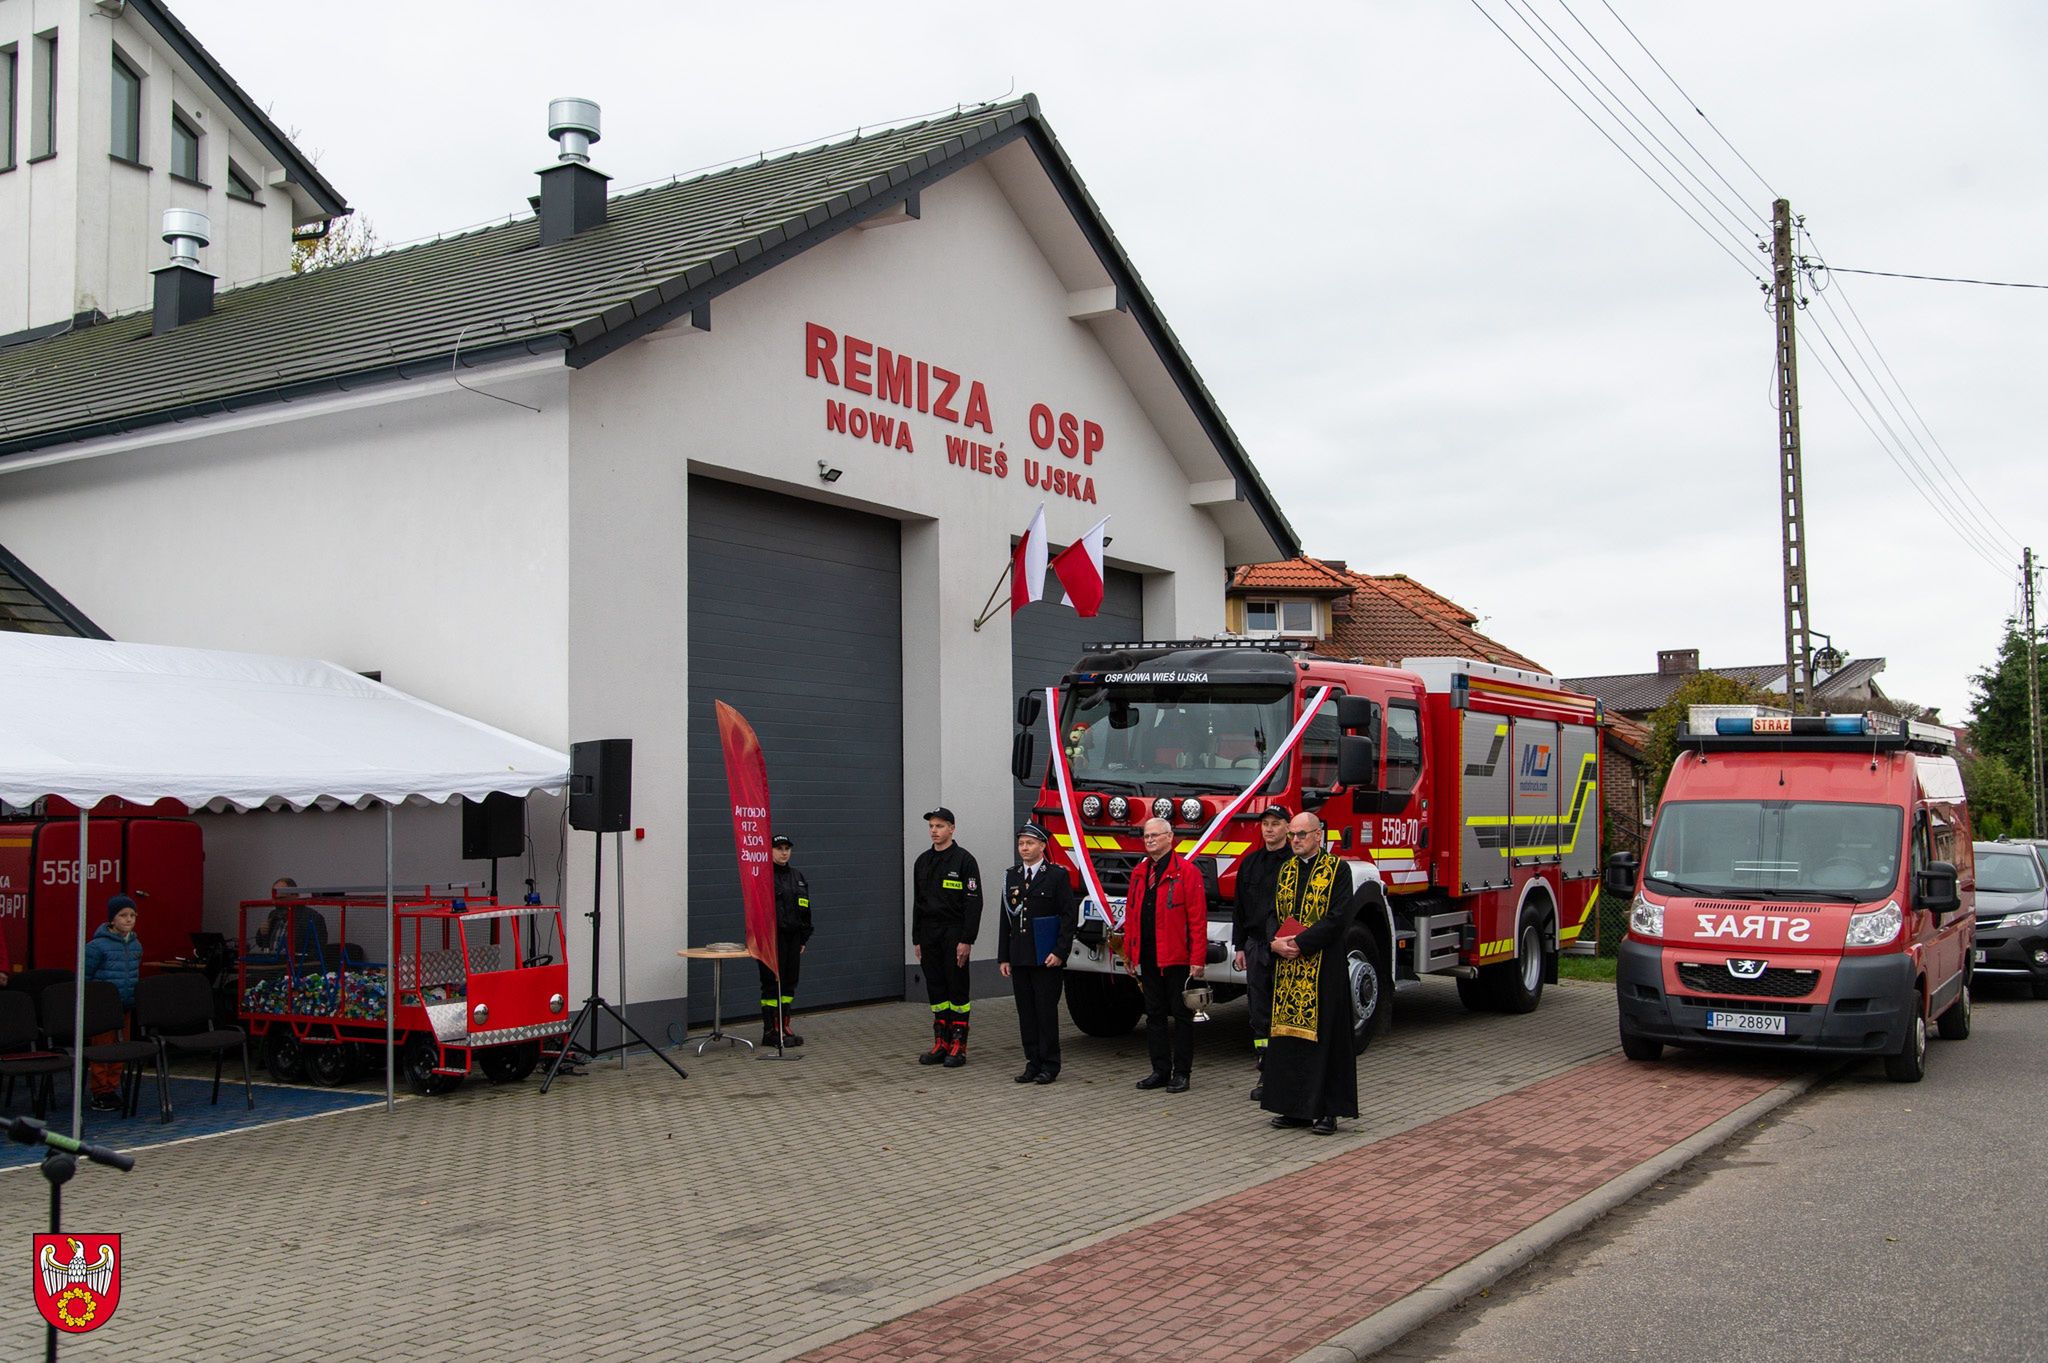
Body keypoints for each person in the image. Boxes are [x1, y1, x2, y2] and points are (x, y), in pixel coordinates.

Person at [1262, 813, 1362, 1135]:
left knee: (1327, 1039)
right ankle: (1294, 1109)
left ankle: (1328, 1111)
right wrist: (1274, 943)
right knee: (1290, 1039)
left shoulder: (1338, 870)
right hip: (1289, 970)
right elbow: (1271, 913)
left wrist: (1301, 943)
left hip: (1324, 969)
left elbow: (1338, 918)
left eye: (1302, 834)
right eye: (1292, 835)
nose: (1295, 840)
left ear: (1318, 835)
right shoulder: (1285, 871)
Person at [1121, 817, 1208, 1092]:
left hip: (1177, 957)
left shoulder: (1186, 872)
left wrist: (1197, 958)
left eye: (1155, 836)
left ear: (1170, 838)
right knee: (1154, 1014)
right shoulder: (1140, 872)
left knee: (1182, 1015)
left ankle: (1182, 1072)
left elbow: (1197, 919)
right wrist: (1129, 953)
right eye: (1146, 836)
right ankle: (1159, 1070)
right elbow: (1132, 915)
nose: (1149, 841)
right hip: (1148, 956)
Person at [997, 822, 1078, 1085]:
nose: (1024, 848)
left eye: (1029, 843)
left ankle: (1050, 1064)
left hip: (1046, 957)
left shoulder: (1056, 876)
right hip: (1020, 955)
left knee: (1045, 1011)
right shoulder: (1011, 876)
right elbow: (1005, 919)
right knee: (1026, 1012)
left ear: (1042, 846)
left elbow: (1068, 917)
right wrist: (1004, 956)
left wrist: (1060, 952)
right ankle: (1032, 1061)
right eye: (1021, 843)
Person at [1230, 805, 1293, 1102]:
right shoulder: (1250, 863)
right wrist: (1239, 946)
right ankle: (1264, 1069)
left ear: (1287, 828)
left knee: (1286, 1012)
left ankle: (1286, 1074)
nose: (1269, 829)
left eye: (1275, 824)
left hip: (1288, 948)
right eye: (1265, 824)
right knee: (1259, 1014)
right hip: (1256, 946)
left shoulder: (1295, 864)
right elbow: (1239, 907)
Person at [911, 807, 982, 1068]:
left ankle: (958, 1045)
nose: (934, 831)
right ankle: (940, 1042)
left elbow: (974, 904)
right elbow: (917, 903)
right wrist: (916, 938)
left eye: (940, 826)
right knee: (936, 988)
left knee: (957, 988)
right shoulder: (922, 861)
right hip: (929, 933)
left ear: (952, 828)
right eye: (931, 826)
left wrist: (967, 940)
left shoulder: (964, 861)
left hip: (954, 933)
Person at [81, 893, 144, 1112]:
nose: (128, 919)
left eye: (132, 915)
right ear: (112, 919)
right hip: (103, 1009)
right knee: (102, 1050)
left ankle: (113, 1087)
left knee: (121, 1050)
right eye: (123, 915)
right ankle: (100, 1092)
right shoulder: (96, 946)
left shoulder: (136, 946)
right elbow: (85, 977)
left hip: (125, 1005)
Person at [759, 833, 815, 1047]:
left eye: (787, 848)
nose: (784, 852)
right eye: (779, 848)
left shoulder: (797, 876)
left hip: (793, 938)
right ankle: (769, 1031)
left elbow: (805, 908)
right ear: (770, 851)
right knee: (771, 985)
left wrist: (804, 937)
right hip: (771, 939)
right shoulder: (763, 876)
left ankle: (783, 1025)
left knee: (790, 983)